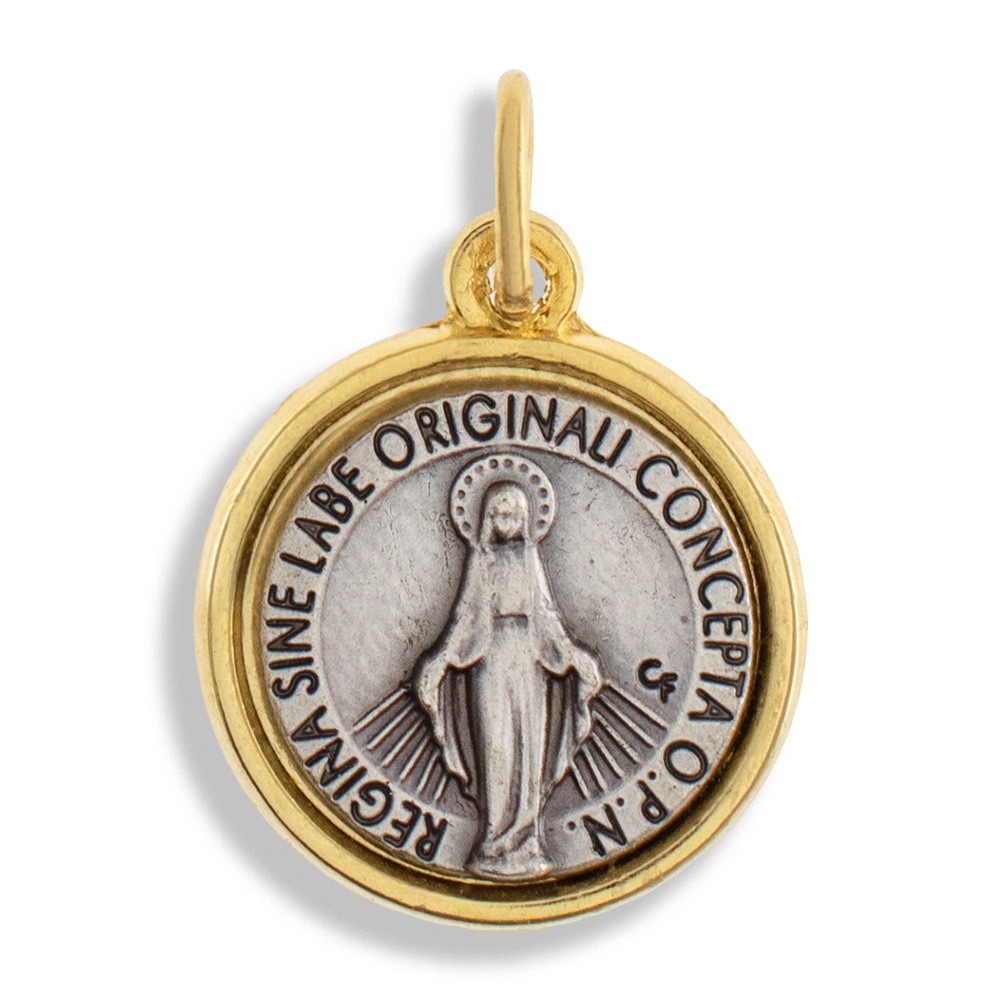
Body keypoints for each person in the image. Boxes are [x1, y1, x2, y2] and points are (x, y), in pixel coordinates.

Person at [416, 474, 602, 878]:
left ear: (526, 518)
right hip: (491, 658)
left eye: (513, 514)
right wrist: (443, 658)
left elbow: (546, 613)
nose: (506, 522)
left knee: (529, 745)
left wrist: (571, 653)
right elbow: (466, 615)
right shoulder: (481, 560)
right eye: (499, 514)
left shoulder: (530, 559)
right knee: (497, 746)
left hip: (531, 658)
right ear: (487, 517)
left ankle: (527, 840)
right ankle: (495, 839)